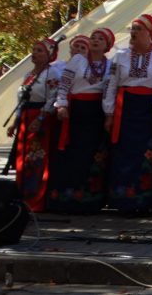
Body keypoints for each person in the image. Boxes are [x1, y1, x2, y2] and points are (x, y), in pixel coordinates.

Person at [103, 14, 152, 212]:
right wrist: (109, 113)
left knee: (146, 154)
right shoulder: (120, 56)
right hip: (125, 109)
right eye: (132, 29)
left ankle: (143, 200)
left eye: (138, 29)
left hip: (148, 109)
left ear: (150, 34)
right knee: (123, 153)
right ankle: (121, 200)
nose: (133, 33)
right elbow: (111, 85)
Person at [48, 28, 114, 213]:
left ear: (107, 45)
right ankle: (65, 199)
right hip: (75, 111)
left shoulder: (110, 65)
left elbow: (110, 90)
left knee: (93, 154)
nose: (96, 40)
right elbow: (65, 84)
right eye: (93, 37)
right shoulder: (78, 60)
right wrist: (61, 105)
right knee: (72, 153)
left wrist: (109, 114)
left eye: (101, 39)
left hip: (96, 112)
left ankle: (89, 200)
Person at [7, 38, 63, 212]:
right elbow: (21, 100)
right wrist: (15, 122)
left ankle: (36, 201)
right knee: (22, 159)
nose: (34, 53)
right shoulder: (28, 75)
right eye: (33, 49)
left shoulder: (51, 74)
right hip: (26, 117)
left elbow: (53, 96)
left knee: (36, 159)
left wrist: (40, 118)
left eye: (39, 50)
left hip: (40, 118)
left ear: (49, 55)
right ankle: (21, 197)